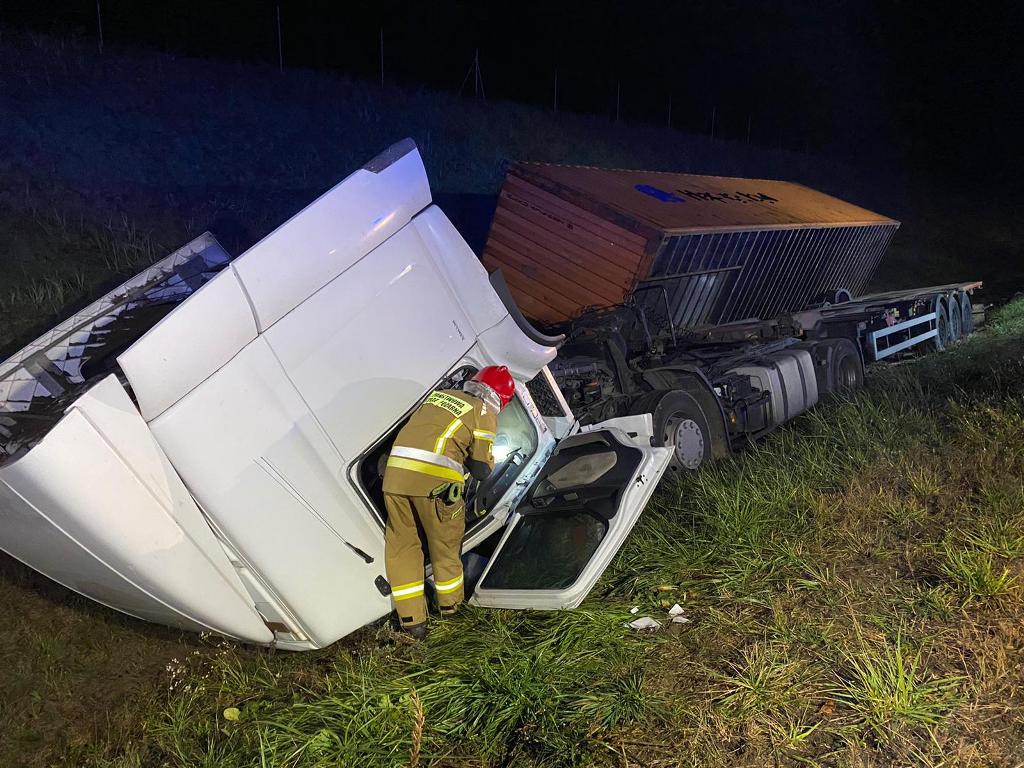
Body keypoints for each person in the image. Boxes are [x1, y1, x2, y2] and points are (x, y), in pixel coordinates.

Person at [382, 365, 516, 638]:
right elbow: (481, 469)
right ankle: (451, 616)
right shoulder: (483, 411)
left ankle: (413, 623)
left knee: (403, 548)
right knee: (445, 551)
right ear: (500, 400)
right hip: (435, 486)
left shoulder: (439, 396)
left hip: (395, 480)